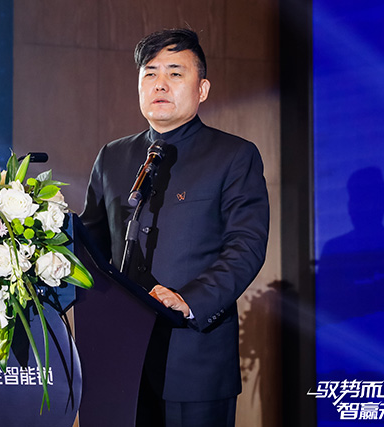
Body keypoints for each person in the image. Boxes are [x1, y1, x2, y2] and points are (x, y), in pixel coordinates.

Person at [80, 28, 269, 426]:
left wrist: (190, 300)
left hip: (194, 358)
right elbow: (90, 244)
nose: (160, 84)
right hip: (119, 361)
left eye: (175, 73)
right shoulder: (113, 156)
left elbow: (246, 245)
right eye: (150, 73)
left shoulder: (233, 156)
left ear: (202, 89)